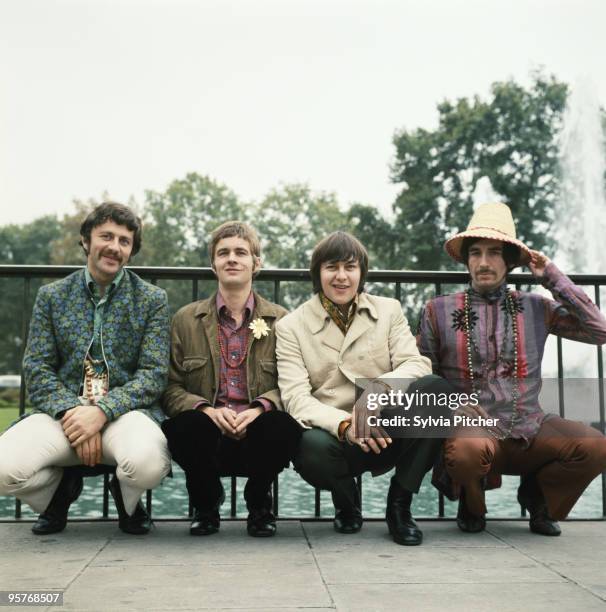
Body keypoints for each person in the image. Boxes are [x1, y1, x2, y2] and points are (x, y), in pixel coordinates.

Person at [417, 202, 606, 535]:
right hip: (472, 433)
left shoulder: (537, 307)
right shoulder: (438, 310)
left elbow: (599, 330)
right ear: (467, 259)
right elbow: (421, 374)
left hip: (530, 428)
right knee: (466, 452)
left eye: (494, 253)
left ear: (509, 260)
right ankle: (472, 503)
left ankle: (538, 498)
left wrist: (552, 276)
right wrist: (451, 407)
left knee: (594, 445)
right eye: (475, 253)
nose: (484, 262)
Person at [0, 202, 171, 535]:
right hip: (62, 415)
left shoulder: (152, 299)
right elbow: (36, 368)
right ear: (86, 240)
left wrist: (103, 411)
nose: (114, 246)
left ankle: (127, 499)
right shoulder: (52, 296)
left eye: (124, 241)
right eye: (106, 236)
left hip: (126, 413)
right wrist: (73, 413)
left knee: (148, 465)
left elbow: (153, 374)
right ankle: (57, 495)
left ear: (131, 251)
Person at [276, 231, 452, 545]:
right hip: (336, 436)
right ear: (318, 273)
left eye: (350, 267)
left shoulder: (389, 310)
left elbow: (417, 364)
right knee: (309, 447)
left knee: (436, 390)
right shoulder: (291, 326)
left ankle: (399, 505)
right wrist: (344, 425)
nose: (341, 276)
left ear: (362, 273)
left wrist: (375, 392)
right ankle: (346, 503)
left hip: (386, 425)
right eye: (332, 267)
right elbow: (295, 398)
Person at [161, 221, 301, 537]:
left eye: (241, 252)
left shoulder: (281, 319)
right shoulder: (186, 319)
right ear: (214, 264)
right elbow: (170, 387)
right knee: (183, 426)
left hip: (258, 436)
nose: (232, 259)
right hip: (208, 435)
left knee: (285, 427)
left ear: (256, 263)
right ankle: (206, 505)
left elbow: (294, 384)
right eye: (223, 253)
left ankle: (259, 502)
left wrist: (260, 408)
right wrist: (206, 410)